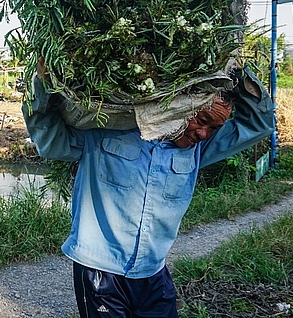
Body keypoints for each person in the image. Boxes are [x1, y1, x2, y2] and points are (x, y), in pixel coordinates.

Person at [23, 60, 275, 318]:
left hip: (152, 272)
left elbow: (258, 124)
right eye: (202, 120)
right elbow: (51, 143)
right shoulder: (107, 131)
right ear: (180, 108)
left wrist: (236, 70)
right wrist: (41, 85)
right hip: (100, 271)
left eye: (213, 128)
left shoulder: (198, 150)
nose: (203, 133)